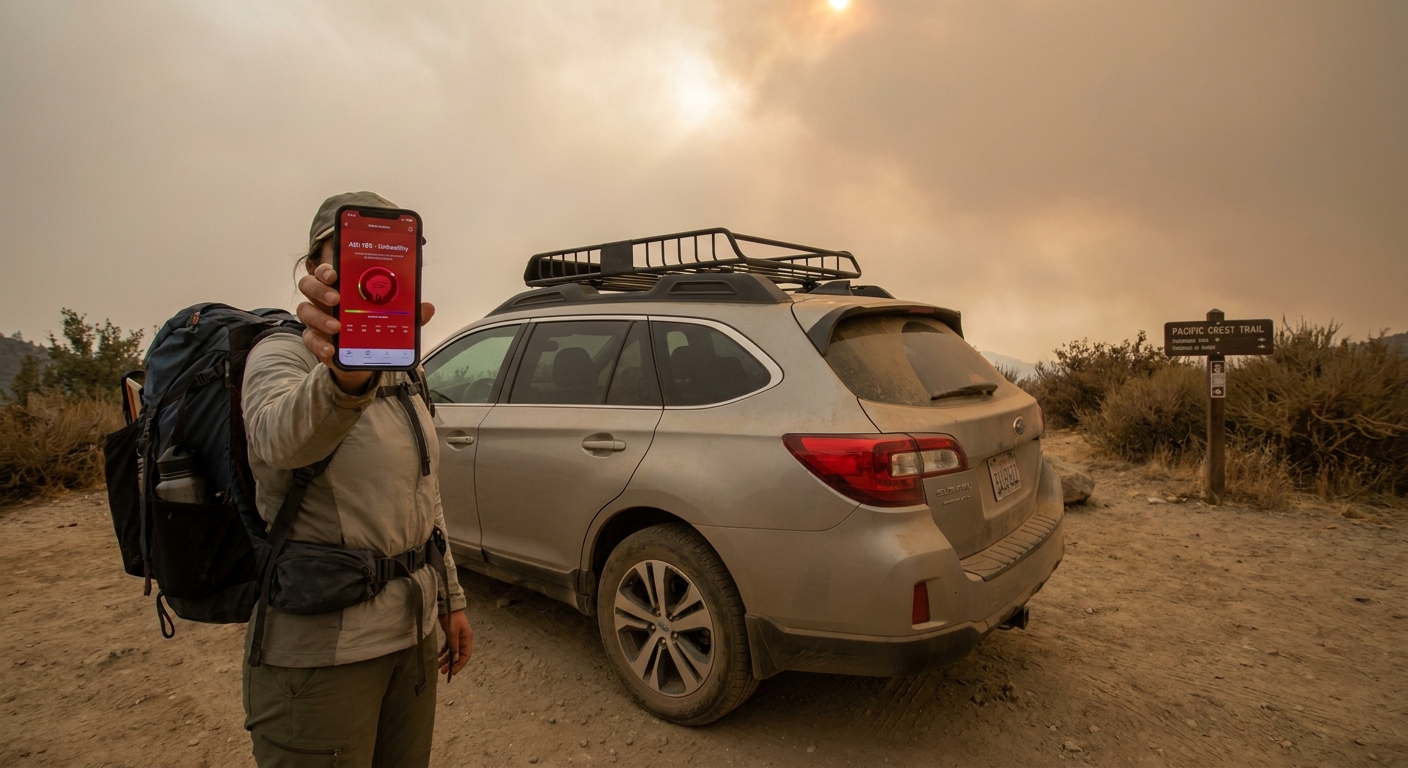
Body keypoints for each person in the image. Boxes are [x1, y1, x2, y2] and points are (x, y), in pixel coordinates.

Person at [239, 191, 473, 767]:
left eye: (398, 255)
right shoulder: (279, 357)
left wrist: (451, 597)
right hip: (321, 657)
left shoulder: (406, 369)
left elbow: (424, 493)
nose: (368, 269)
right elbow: (278, 439)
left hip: (411, 638)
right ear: (315, 269)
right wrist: (341, 377)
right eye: (343, 254)